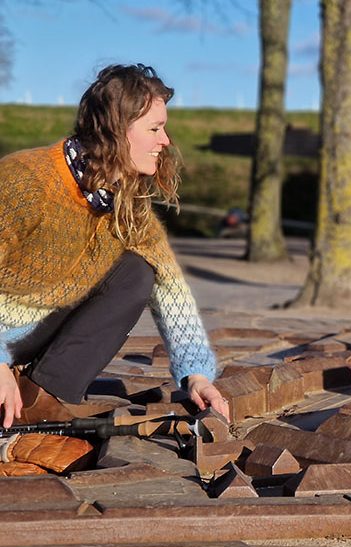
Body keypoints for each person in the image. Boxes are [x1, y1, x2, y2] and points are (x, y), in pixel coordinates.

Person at [0, 64, 229, 428]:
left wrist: (197, 375)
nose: (165, 141)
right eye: (155, 129)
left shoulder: (125, 204)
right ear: (116, 131)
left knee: (138, 270)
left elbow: (171, 288)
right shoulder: (26, 180)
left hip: (30, 340)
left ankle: (41, 396)